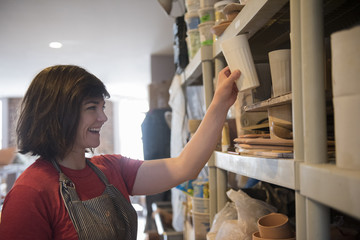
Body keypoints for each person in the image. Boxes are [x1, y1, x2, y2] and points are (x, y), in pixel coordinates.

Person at [0, 64, 240, 240]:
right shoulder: (29, 193)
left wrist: (220, 103)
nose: (103, 117)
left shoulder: (111, 169)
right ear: (58, 114)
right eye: (92, 107)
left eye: (102, 107)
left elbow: (184, 167)